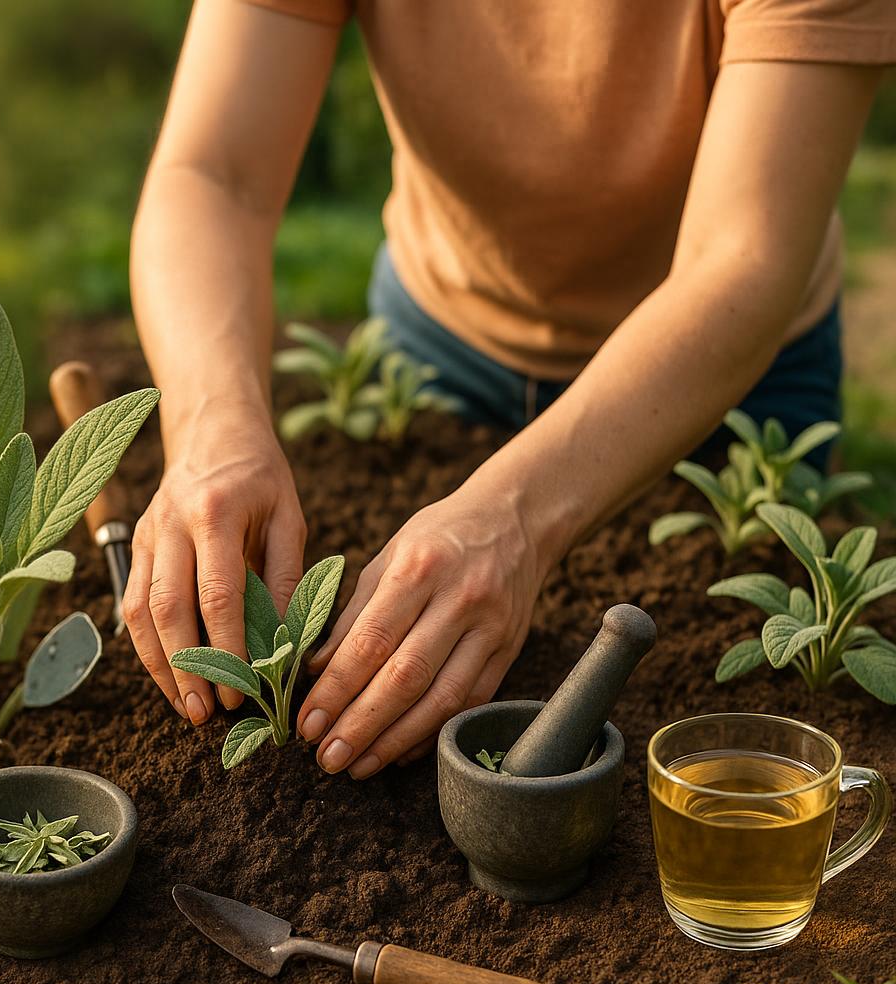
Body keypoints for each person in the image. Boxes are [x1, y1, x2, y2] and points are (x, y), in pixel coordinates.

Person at [124, 0, 894, 780]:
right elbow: (215, 175)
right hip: (441, 338)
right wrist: (211, 427)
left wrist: (516, 517)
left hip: (723, 382)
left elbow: (740, 258)